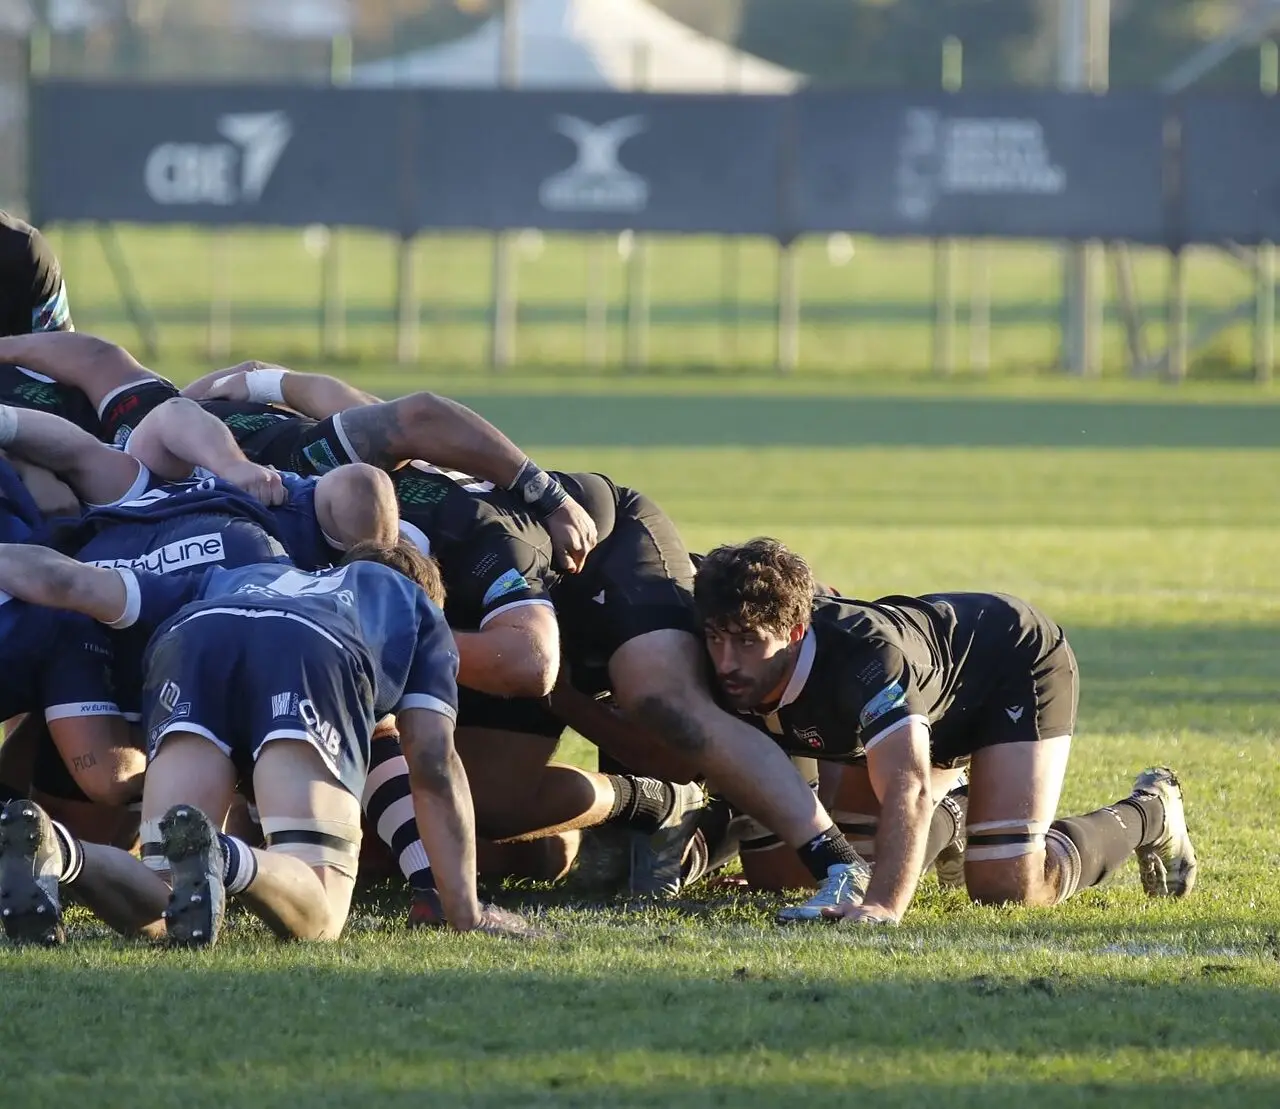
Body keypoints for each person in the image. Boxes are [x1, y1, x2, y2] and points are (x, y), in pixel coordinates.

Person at [0, 539, 537, 945]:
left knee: (163, 900)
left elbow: (70, 581)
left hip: (196, 638)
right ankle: (228, 860)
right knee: (322, 911)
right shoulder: (415, 609)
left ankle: (63, 852)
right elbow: (433, 765)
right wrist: (465, 912)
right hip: (309, 657)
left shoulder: (235, 576)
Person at [693, 537, 1198, 924]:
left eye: (746, 642)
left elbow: (906, 787)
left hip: (1008, 669)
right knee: (811, 872)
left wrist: (884, 907)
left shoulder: (864, 662)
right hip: (918, 708)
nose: (725, 662)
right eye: (715, 639)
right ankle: (955, 808)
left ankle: (1150, 812)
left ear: (795, 631)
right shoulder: (734, 651)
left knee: (1008, 885)